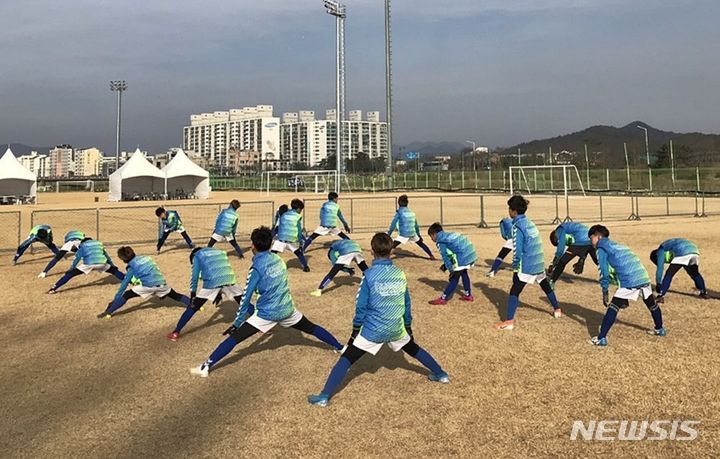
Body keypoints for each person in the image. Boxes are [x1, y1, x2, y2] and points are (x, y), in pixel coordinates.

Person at [307, 233, 449, 407]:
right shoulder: (400, 273)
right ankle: (441, 374)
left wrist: (355, 329)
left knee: (347, 358)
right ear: (391, 251)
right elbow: (406, 304)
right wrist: (407, 325)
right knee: (413, 348)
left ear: (372, 251)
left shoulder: (369, 275)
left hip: (372, 330)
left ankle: (324, 396)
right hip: (396, 327)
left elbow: (361, 307)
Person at [189, 226, 343, 377]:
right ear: (270, 244)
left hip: (266, 314)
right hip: (287, 309)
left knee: (235, 339)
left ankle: (206, 367)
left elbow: (245, 297)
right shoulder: (279, 260)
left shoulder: (255, 268)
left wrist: (237, 323)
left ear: (253, 246)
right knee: (312, 328)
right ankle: (340, 347)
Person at [589, 225, 666, 346]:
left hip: (630, 279)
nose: (591, 241)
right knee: (651, 302)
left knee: (613, 306)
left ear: (598, 237)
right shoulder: (617, 245)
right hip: (642, 275)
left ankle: (601, 337)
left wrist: (605, 290)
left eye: (591, 238)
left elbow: (603, 271)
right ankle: (660, 328)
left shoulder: (601, 248)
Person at [495, 196, 561, 330]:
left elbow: (517, 249)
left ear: (513, 211)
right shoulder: (530, 223)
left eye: (509, 209)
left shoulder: (517, 226)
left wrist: (515, 265)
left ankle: (509, 322)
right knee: (545, 285)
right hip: (538, 261)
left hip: (527, 263)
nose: (508, 211)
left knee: (514, 291)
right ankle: (557, 309)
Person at [166, 246, 243, 341]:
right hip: (229, 279)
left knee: (192, 308)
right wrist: (218, 293)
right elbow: (219, 269)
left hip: (212, 283)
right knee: (244, 303)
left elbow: (194, 276)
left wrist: (193, 294)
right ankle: (264, 326)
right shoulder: (219, 251)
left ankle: (176, 332)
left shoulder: (197, 255)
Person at [96, 246, 191, 319]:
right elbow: (155, 270)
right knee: (176, 295)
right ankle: (193, 305)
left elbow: (125, 283)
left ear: (124, 259)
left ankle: (108, 312)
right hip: (162, 283)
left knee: (127, 295)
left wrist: (116, 300)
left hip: (148, 286)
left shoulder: (131, 266)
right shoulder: (147, 258)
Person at [48, 237, 124, 293]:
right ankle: (131, 280)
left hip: (88, 264)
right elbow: (107, 256)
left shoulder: (83, 245)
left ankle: (54, 288)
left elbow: (77, 258)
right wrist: (112, 265)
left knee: (70, 275)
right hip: (102, 263)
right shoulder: (99, 243)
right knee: (115, 271)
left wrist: (71, 268)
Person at [427, 223, 478, 305]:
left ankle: (443, 298)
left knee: (454, 278)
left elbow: (445, 256)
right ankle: (468, 295)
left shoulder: (441, 241)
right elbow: (451, 252)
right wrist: (446, 265)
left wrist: (451, 270)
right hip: (470, 253)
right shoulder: (448, 235)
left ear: (435, 234)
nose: (431, 239)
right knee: (464, 272)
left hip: (463, 255)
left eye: (431, 236)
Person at [387, 195, 434, 259]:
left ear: (398, 203)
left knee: (393, 245)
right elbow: (416, 225)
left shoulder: (399, 212)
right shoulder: (411, 212)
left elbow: (393, 224)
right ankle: (431, 255)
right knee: (421, 244)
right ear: (407, 203)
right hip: (412, 233)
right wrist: (418, 235)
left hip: (404, 234)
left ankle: (385, 258)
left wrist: (388, 234)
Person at [272, 198, 310, 272]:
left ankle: (267, 265)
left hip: (281, 239)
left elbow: (279, 227)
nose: (300, 212)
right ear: (298, 209)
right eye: (301, 210)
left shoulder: (283, 214)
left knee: (273, 253)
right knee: (299, 253)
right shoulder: (297, 217)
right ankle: (306, 267)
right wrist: (300, 241)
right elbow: (299, 230)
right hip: (292, 240)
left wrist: (273, 234)